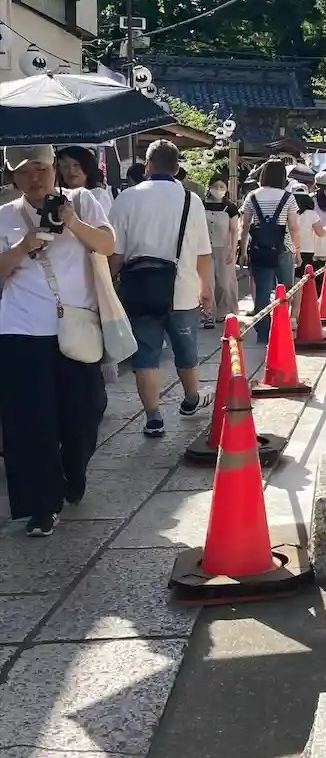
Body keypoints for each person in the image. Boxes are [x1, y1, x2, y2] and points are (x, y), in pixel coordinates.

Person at [0, 144, 115, 534]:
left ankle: (72, 470)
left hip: (76, 326)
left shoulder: (82, 202)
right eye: (24, 171)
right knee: (31, 420)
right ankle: (42, 505)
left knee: (87, 411)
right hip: (21, 328)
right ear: (13, 177)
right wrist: (23, 246)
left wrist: (73, 223)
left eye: (41, 168)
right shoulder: (5, 216)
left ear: (54, 169)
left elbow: (108, 246)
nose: (34, 178)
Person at [109, 140, 213, 439]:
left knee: (145, 355)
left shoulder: (126, 198)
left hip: (139, 291)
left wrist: (108, 284)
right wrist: (206, 289)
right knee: (186, 351)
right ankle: (191, 399)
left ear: (147, 166)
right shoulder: (191, 200)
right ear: (177, 168)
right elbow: (203, 253)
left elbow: (115, 254)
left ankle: (153, 418)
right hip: (182, 292)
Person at [239, 159, 300, 345]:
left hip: (259, 250)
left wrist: (242, 251)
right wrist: (297, 250)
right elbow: (294, 227)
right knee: (286, 290)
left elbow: (245, 226)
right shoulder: (288, 197)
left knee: (262, 293)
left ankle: (263, 333)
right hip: (283, 249)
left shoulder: (252, 196)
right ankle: (280, 328)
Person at [202, 174, 240, 324]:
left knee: (224, 284)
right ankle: (208, 314)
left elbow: (235, 230)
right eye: (215, 186)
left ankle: (224, 312)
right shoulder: (201, 205)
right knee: (207, 282)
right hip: (204, 249)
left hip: (224, 248)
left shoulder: (230, 208)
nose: (218, 190)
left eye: (221, 187)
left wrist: (233, 251)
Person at [57, 145, 115, 217]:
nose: (71, 170)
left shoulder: (98, 195)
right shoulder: (56, 197)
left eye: (76, 165)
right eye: (65, 166)